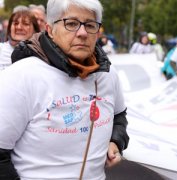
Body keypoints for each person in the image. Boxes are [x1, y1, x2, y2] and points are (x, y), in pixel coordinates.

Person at [0, 0, 129, 179]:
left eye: (90, 25)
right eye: (71, 24)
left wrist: (116, 141)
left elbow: (119, 116)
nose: (82, 33)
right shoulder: (20, 77)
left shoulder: (108, 74)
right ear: (50, 30)